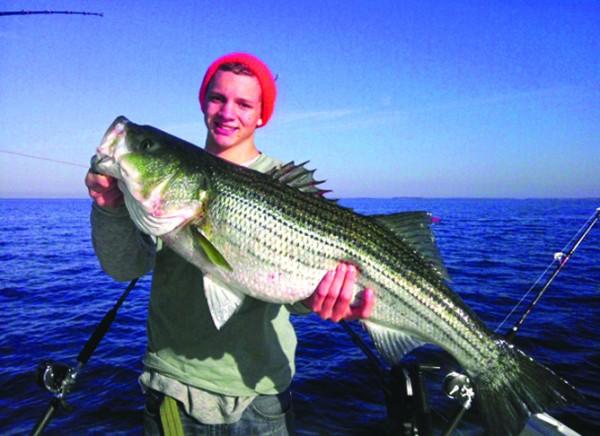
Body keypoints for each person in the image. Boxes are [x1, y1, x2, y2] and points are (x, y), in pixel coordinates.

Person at [85, 52, 374, 435]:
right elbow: (124, 269)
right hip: (175, 389)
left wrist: (320, 299)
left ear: (261, 116)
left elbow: (297, 300)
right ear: (203, 102)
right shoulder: (166, 186)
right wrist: (109, 208)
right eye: (218, 98)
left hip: (264, 396)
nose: (227, 112)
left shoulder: (287, 185)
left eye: (244, 103)